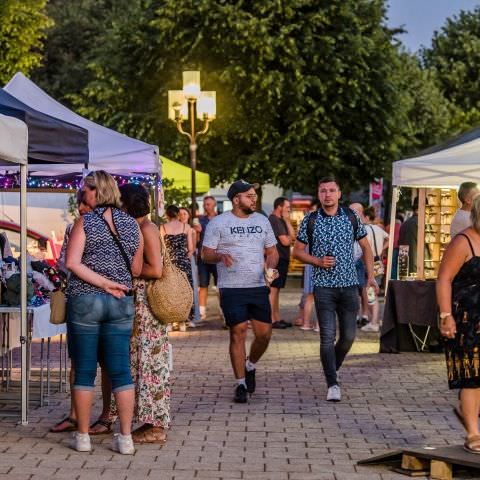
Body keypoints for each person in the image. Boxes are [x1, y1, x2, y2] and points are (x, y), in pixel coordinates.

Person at [66, 170, 143, 454]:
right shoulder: (132, 225)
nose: (81, 194)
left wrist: (103, 282)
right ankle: (125, 438)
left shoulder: (85, 222)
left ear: (96, 191)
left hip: (86, 300)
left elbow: (72, 263)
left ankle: (83, 437)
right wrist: (114, 282)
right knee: (121, 370)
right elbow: (135, 269)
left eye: (84, 190)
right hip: (122, 301)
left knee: (85, 370)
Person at [293, 177, 377, 402]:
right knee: (327, 337)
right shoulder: (310, 220)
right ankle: (332, 383)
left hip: (349, 286)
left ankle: (332, 367)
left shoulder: (351, 218)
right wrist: (317, 261)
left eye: (331, 190)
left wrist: (370, 277)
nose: (327, 194)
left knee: (349, 336)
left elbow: (367, 248)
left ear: (339, 193)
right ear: (319, 194)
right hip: (324, 288)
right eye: (323, 191)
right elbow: (297, 251)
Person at [201, 180, 279, 403]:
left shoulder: (262, 221)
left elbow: (272, 251)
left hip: (257, 285)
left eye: (254, 195)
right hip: (231, 287)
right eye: (249, 196)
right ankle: (241, 384)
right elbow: (206, 254)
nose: (254, 199)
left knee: (264, 334)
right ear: (236, 200)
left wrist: (271, 269)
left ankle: (250, 364)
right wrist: (220, 256)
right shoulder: (218, 223)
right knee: (238, 332)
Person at [119, 184, 170, 444]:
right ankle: (149, 419)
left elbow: (156, 269)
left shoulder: (146, 229)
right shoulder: (141, 227)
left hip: (147, 304)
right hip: (140, 303)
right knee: (142, 360)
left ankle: (156, 425)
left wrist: (132, 270)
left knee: (150, 362)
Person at [437, 193, 480, 453]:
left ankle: (468, 414)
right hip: (466, 319)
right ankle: (473, 433)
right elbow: (443, 279)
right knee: (472, 377)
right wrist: (445, 315)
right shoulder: (463, 241)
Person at [161, 205, 194, 332]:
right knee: (185, 291)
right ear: (177, 214)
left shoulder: (162, 228)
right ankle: (183, 322)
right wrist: (185, 259)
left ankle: (169, 322)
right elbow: (191, 248)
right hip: (184, 263)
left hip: (169, 263)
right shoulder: (186, 227)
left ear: (167, 215)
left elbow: (162, 249)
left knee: (169, 292)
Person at [268, 197, 295, 329]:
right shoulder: (274, 220)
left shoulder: (281, 220)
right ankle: (271, 319)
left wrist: (287, 220)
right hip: (275, 259)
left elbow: (293, 237)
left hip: (282, 258)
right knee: (273, 289)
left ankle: (277, 317)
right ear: (279, 207)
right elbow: (285, 241)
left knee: (277, 289)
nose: (289, 209)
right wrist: (289, 237)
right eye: (287, 207)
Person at [361, 206, 389, 333]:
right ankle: (375, 320)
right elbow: (390, 238)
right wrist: (382, 248)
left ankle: (374, 322)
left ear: (366, 217)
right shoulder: (378, 228)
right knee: (372, 291)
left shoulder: (364, 229)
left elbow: (364, 248)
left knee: (370, 292)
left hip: (369, 262)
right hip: (378, 261)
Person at [196, 196, 218, 321]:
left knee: (220, 286)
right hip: (203, 257)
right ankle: (201, 313)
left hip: (217, 257)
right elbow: (197, 241)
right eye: (205, 204)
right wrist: (197, 232)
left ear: (214, 205)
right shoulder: (200, 220)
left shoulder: (221, 219)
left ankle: (224, 313)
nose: (206, 206)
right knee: (203, 285)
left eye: (208, 204)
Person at [179, 207, 201, 326]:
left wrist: (197, 233)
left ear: (188, 216)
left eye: (185, 214)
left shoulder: (191, 229)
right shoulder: (173, 228)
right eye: (180, 214)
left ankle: (191, 316)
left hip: (188, 259)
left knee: (191, 285)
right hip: (177, 260)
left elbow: (193, 247)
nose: (182, 216)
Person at [349, 203, 369, 327]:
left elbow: (368, 248)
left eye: (354, 211)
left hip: (361, 262)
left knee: (363, 289)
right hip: (350, 262)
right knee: (354, 291)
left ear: (361, 213)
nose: (350, 214)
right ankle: (355, 315)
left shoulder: (366, 228)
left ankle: (365, 315)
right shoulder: (347, 226)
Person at [398, 197, 419, 275]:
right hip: (417, 268)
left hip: (404, 266)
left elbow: (400, 244)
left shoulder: (405, 224)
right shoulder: (421, 223)